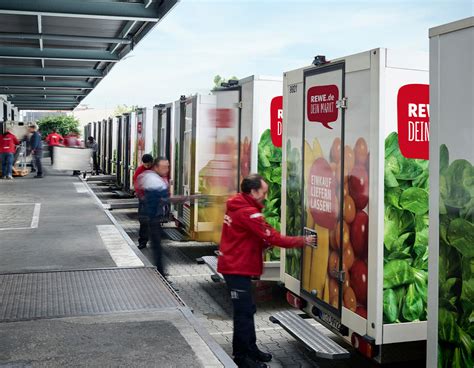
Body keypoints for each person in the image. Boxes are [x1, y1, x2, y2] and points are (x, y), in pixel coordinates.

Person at [217, 173, 316, 368]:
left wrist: (261, 244)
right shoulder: (249, 213)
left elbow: (243, 236)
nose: (266, 196)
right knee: (243, 314)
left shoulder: (237, 204)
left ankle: (251, 349)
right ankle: (242, 357)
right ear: (253, 192)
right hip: (236, 268)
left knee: (248, 309)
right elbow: (275, 237)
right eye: (263, 192)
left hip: (236, 265)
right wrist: (302, 241)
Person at [137, 157, 201, 276]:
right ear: (156, 167)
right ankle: (161, 274)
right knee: (157, 248)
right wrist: (187, 198)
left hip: (154, 217)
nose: (166, 169)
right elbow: (163, 200)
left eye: (168, 166)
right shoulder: (153, 180)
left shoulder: (154, 177)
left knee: (158, 247)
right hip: (152, 218)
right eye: (164, 167)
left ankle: (161, 270)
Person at [133, 154, 154, 250]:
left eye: (149, 164)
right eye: (145, 165)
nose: (147, 167)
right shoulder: (139, 170)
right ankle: (142, 241)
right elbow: (136, 184)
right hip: (144, 198)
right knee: (143, 220)